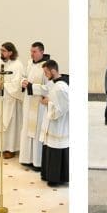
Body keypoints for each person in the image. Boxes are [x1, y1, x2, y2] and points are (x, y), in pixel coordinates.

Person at [0, 41, 23, 158]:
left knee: (9, 123)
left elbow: (17, 83)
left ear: (10, 52)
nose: (1, 52)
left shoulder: (17, 65)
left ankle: (9, 148)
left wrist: (3, 86)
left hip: (9, 99)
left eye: (3, 50)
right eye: (1, 50)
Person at [19, 42, 51, 169]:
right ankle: (26, 158)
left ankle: (37, 161)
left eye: (34, 52)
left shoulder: (47, 66)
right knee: (27, 128)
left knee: (37, 131)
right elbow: (23, 76)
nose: (32, 54)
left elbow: (49, 87)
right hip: (28, 101)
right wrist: (23, 82)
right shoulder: (29, 63)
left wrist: (32, 87)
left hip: (39, 105)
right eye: (31, 51)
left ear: (42, 52)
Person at [38, 58, 68, 187]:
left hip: (58, 125)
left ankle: (56, 178)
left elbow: (61, 109)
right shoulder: (55, 85)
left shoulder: (61, 87)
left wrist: (47, 103)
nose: (45, 75)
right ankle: (48, 174)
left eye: (46, 72)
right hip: (53, 124)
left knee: (55, 149)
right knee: (49, 148)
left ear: (53, 71)